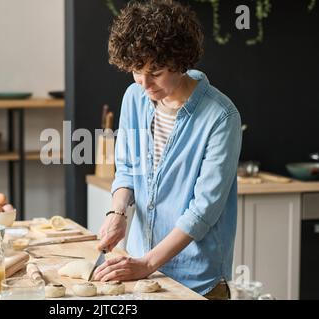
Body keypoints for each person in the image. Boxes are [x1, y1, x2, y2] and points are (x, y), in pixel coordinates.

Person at [92, 0, 242, 300]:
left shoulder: (221, 117)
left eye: (156, 72)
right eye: (136, 71)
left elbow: (202, 212)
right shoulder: (134, 98)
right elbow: (128, 169)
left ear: (181, 61)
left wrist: (147, 264)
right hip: (138, 273)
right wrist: (117, 212)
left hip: (196, 282)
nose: (144, 83)